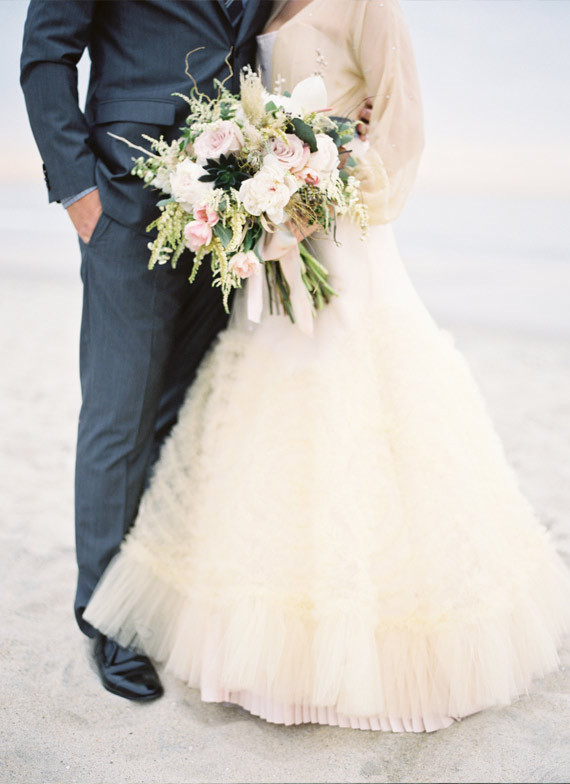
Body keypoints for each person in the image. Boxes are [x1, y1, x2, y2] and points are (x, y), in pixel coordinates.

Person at [73, 0, 570, 732]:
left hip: (339, 245)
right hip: (264, 249)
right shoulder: (261, 4)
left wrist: (321, 190)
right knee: (260, 420)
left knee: (357, 415)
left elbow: (402, 128)